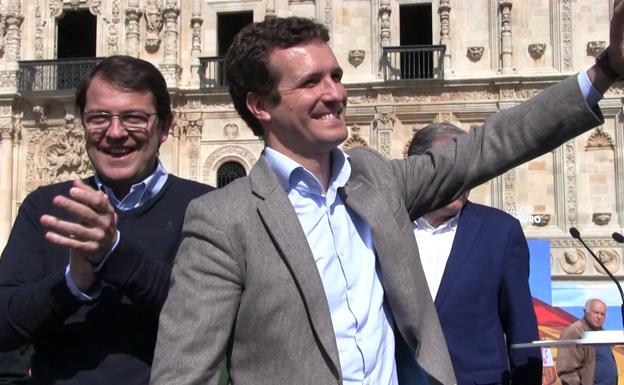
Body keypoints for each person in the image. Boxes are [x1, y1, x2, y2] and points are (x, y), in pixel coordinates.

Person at [151, 4, 624, 384]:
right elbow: (184, 372)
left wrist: (604, 70)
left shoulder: (376, 180)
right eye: (311, 82)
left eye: (335, 75)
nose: (335, 93)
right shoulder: (222, 220)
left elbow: (489, 146)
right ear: (260, 105)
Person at [0, 55, 213, 384]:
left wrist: (114, 253)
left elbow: (210, 319)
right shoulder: (44, 206)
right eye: (98, 118)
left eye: (134, 118)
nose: (115, 132)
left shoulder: (206, 207)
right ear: (83, 123)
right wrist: (73, 283)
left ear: (166, 126)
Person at [401, 123, 541, 385]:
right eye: (452, 167)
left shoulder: (500, 232)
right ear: (418, 168)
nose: (462, 177)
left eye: (469, 168)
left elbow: (522, 330)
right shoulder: (388, 228)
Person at [556, 298, 618, 385]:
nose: (599, 317)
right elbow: (566, 370)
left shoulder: (603, 333)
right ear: (586, 312)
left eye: (602, 314)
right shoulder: (575, 331)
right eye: (596, 313)